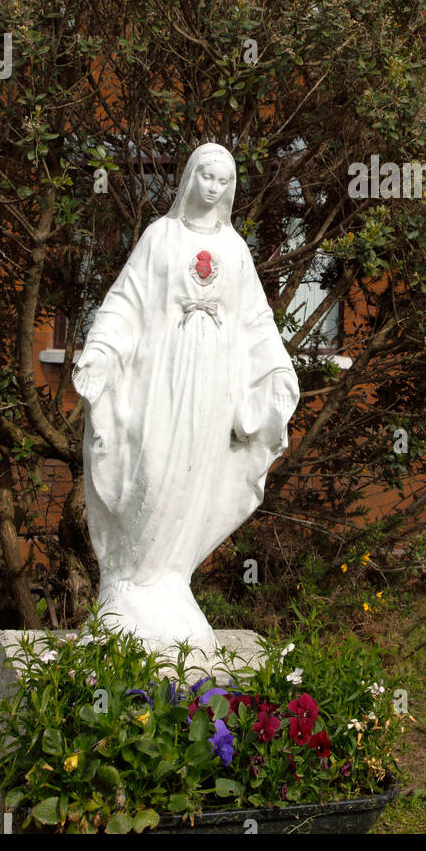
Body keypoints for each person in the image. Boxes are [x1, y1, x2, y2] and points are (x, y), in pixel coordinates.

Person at [72, 142, 300, 656]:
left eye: (223, 179)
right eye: (205, 176)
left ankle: (171, 581)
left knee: (194, 475)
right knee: (152, 466)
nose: (213, 187)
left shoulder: (236, 250)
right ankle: (129, 583)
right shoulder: (160, 237)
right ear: (189, 179)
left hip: (211, 386)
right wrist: (103, 352)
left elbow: (256, 321)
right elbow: (124, 302)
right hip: (160, 381)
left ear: (231, 187)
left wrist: (276, 373)